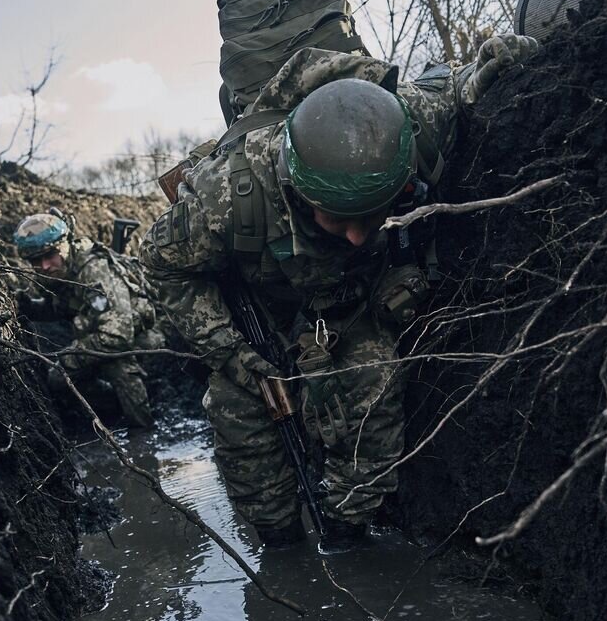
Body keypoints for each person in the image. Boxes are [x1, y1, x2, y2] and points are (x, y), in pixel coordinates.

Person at [140, 36, 538, 550]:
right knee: (237, 413)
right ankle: (279, 544)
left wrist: (488, 67)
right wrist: (236, 355)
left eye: (371, 216)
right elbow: (160, 265)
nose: (356, 236)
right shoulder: (227, 196)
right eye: (339, 219)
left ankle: (348, 534)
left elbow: (454, 85)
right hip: (265, 318)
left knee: (374, 385)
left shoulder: (411, 127)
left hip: (355, 307)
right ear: (297, 189)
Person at [13, 210, 163, 428]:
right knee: (58, 379)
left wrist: (70, 357)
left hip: (144, 337)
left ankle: (143, 430)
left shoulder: (93, 270)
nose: (44, 266)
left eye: (50, 255)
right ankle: (112, 407)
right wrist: (30, 308)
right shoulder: (59, 271)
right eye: (36, 260)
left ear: (65, 244)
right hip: (101, 335)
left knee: (117, 364)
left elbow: (118, 336)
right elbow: (63, 308)